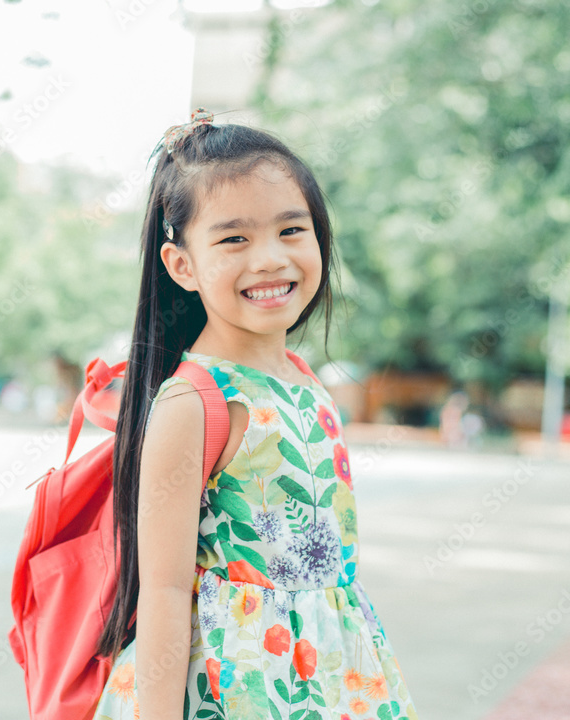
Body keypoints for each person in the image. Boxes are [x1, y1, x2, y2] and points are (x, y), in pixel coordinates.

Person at [90, 110, 419, 720]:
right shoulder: (195, 402)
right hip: (235, 683)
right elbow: (162, 592)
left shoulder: (308, 381)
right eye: (234, 239)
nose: (269, 258)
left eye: (291, 230)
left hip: (334, 674)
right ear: (182, 265)